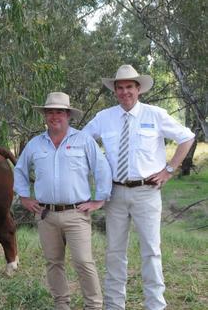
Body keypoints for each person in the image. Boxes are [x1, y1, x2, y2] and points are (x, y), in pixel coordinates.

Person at [83, 64, 195, 309]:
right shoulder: (104, 117)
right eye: (120, 88)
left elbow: (186, 137)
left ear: (138, 89)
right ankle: (114, 305)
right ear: (115, 91)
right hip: (114, 193)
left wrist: (169, 169)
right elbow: (83, 141)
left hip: (147, 192)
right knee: (114, 252)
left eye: (129, 87)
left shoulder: (154, 114)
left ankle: (155, 305)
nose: (125, 92)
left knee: (151, 251)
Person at [14, 92, 112, 310]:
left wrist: (99, 200)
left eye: (59, 111)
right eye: (50, 112)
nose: (54, 116)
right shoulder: (35, 144)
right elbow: (19, 170)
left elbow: (102, 168)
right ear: (45, 116)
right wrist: (24, 196)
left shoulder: (83, 140)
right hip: (46, 215)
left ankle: (94, 306)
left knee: (84, 262)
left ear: (68, 115)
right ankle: (61, 305)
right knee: (53, 263)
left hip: (76, 214)